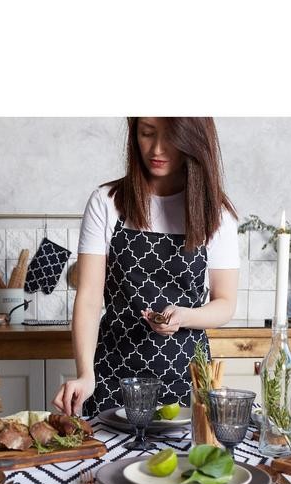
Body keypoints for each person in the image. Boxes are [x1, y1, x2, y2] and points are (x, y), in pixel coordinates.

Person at [53, 117, 239, 417]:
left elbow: (225, 303)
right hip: (114, 377)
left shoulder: (215, 212)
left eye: (171, 137)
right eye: (147, 133)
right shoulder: (107, 202)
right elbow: (88, 297)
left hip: (187, 380)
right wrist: (86, 374)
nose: (157, 149)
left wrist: (184, 316)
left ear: (192, 140)